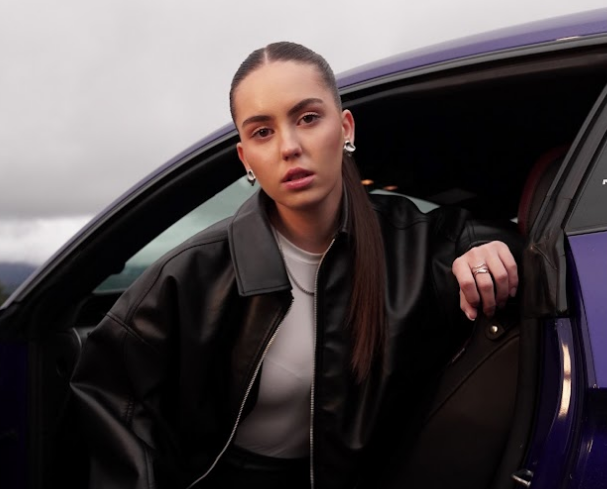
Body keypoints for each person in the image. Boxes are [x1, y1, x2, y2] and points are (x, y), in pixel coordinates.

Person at [70, 42, 521, 489]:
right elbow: (113, 396)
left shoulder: (412, 242)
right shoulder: (194, 272)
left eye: (307, 118)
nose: (289, 147)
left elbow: (524, 242)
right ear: (246, 159)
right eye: (262, 132)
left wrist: (488, 252)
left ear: (345, 128)